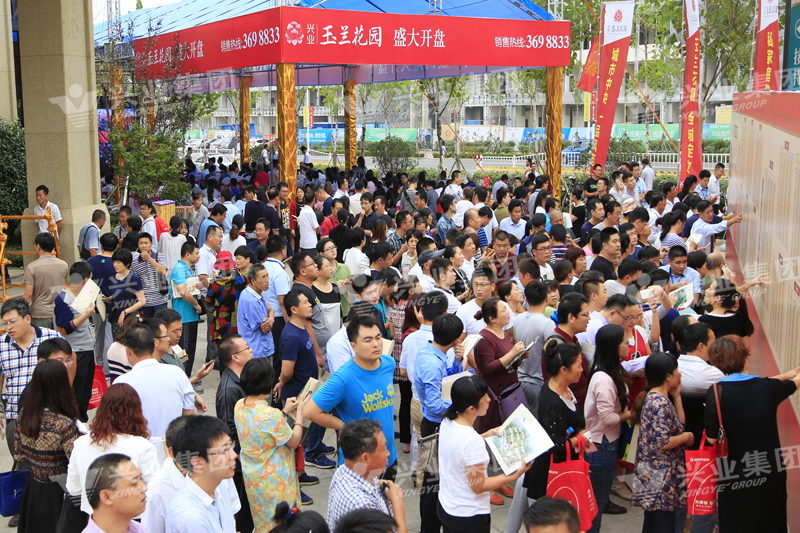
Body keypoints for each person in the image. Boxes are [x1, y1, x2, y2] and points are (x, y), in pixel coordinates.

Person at [704, 335, 800, 533]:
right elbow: (787, 383)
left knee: (737, 521)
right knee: (770, 520)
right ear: (745, 359)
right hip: (769, 469)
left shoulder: (716, 392)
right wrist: (790, 375)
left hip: (733, 472)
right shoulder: (768, 388)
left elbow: (712, 438)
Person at [305, 315, 398, 475]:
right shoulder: (343, 378)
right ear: (353, 345)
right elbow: (309, 411)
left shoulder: (388, 363)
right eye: (368, 340)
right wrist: (344, 427)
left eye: (378, 337)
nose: (376, 344)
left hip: (389, 457)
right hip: (358, 465)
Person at [438, 375, 531, 533]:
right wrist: (514, 475)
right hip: (468, 515)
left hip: (447, 505)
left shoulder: (448, 421)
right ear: (471, 408)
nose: (489, 400)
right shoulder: (471, 440)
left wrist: (485, 435)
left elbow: (460, 449)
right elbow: (479, 485)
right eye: (485, 399)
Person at [517, 341, 588, 530]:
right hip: (551, 474)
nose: (582, 370)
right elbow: (555, 446)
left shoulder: (562, 387)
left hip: (562, 467)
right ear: (564, 370)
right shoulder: (553, 401)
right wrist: (580, 438)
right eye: (579, 366)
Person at [66, 383, 159, 525]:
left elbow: (74, 489)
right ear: (136, 412)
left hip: (92, 520)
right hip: (131, 521)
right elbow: (156, 490)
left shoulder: (80, 444)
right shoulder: (142, 446)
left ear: (102, 410)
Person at [235, 357, 308, 532]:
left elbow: (264, 430)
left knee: (264, 523)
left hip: (254, 480)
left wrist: (284, 412)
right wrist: (299, 415)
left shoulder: (240, 406)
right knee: (285, 525)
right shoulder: (270, 414)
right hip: (276, 480)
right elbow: (294, 441)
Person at [629, 352, 694, 533]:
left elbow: (679, 426)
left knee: (652, 524)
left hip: (656, 474)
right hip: (659, 476)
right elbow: (663, 441)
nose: (679, 374)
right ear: (668, 377)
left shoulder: (659, 398)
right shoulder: (659, 403)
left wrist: (677, 397)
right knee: (662, 525)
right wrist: (687, 437)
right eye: (676, 371)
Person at [415, 314, 467, 533]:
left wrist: (457, 361)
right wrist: (462, 406)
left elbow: (447, 382)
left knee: (438, 482)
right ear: (455, 340)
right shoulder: (432, 363)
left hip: (437, 425)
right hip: (435, 428)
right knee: (433, 485)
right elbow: (435, 404)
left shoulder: (432, 351)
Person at [14, 359, 80, 533]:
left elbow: (19, 455)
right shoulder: (64, 423)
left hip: (33, 488)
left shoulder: (24, 415)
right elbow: (76, 461)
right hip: (58, 492)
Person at [583, 325, 632, 532]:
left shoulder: (612, 369)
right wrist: (630, 415)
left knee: (597, 500)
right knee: (598, 501)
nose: (629, 344)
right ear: (614, 347)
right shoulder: (603, 379)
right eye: (625, 342)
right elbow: (608, 418)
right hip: (601, 445)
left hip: (606, 442)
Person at [114, 324, 195, 438]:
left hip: (140, 446)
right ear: (154, 345)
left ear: (128, 350)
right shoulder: (178, 373)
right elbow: (188, 416)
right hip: (175, 444)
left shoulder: (120, 383)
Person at [326, 419, 407, 533]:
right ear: (365, 458)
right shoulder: (362, 505)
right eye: (384, 448)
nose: (388, 453)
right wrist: (397, 502)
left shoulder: (344, 471)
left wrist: (379, 484)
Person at [166, 415, 239, 533]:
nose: (234, 455)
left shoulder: (219, 484)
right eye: (224, 450)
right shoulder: (190, 518)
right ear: (197, 462)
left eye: (230, 445)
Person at [215, 335, 255, 533]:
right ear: (235, 357)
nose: (251, 350)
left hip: (244, 458)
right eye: (246, 348)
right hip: (239, 464)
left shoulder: (239, 381)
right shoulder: (229, 389)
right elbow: (228, 430)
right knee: (242, 516)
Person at [473, 298, 528, 432]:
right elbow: (488, 368)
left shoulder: (503, 333)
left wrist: (520, 356)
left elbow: (510, 364)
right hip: (497, 397)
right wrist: (512, 353)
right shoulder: (484, 338)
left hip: (511, 392)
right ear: (492, 319)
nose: (508, 312)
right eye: (503, 310)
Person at [512, 281, 555, 414]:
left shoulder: (518, 319)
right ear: (546, 299)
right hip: (537, 382)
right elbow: (552, 353)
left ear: (526, 299)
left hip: (519, 380)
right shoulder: (547, 323)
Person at [81, 453, 149, 533]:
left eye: (141, 479)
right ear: (107, 497)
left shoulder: (139, 529)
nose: (144, 487)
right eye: (134, 483)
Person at [290, 252, 332, 371]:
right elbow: (306, 326)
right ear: (303, 271)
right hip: (317, 356)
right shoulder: (301, 293)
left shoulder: (307, 288)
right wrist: (318, 355)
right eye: (312, 264)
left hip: (324, 352)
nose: (316, 266)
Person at [170, 242, 203, 378]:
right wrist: (196, 304)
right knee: (184, 351)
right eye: (196, 253)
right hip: (184, 317)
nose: (199, 256)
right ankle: (183, 379)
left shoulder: (188, 269)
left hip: (190, 316)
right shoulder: (180, 269)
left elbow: (188, 289)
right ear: (188, 254)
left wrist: (196, 288)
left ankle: (188, 378)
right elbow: (183, 291)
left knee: (190, 349)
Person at [22, 232, 68, 329]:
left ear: (38, 246)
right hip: (59, 311)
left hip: (40, 314)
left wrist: (21, 313)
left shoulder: (32, 267)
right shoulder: (63, 265)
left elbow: (28, 295)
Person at [699, 277, 755, 349]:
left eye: (710, 289)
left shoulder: (704, 321)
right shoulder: (739, 318)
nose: (706, 290)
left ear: (717, 298)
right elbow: (747, 348)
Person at [104, 248, 145, 338]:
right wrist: (107, 299)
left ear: (127, 264)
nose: (115, 265)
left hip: (131, 319)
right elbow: (118, 297)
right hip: (116, 320)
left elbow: (142, 301)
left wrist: (125, 312)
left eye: (118, 262)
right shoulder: (113, 278)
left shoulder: (133, 278)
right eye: (114, 262)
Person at [237, 263, 276, 360]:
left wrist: (271, 314)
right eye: (263, 277)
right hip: (259, 350)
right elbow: (266, 328)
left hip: (257, 348)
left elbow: (270, 309)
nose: (267, 280)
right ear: (253, 281)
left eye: (267, 275)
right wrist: (271, 317)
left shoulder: (249, 293)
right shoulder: (252, 301)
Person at [131, 232, 169, 318]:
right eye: (141, 243)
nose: (143, 246)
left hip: (160, 301)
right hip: (145, 303)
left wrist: (149, 258)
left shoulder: (159, 256)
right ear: (138, 245)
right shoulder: (135, 262)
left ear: (151, 244)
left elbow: (163, 271)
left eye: (146, 243)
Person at [299, 190, 321, 255]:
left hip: (303, 243)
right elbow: (317, 228)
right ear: (314, 199)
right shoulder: (310, 212)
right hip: (310, 245)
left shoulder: (302, 210)